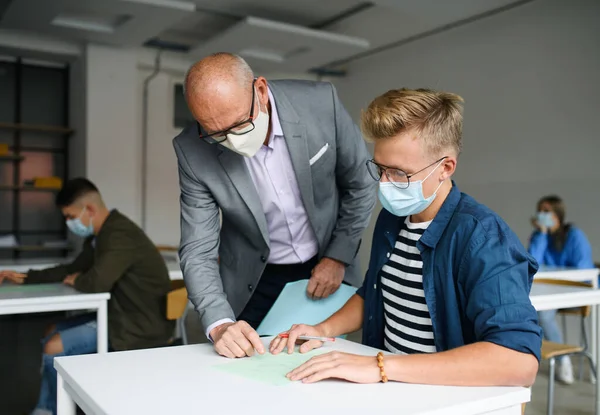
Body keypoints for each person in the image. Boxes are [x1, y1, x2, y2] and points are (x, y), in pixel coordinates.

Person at [270, 88, 542, 387]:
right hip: (393, 386)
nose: (385, 184)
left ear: (445, 167)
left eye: (399, 173)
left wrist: (381, 366)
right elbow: (375, 292)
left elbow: (518, 362)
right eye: (380, 169)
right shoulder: (393, 218)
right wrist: (323, 329)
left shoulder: (483, 237)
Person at [174, 52, 375, 358]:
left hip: (326, 266)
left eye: (240, 124)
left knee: (324, 369)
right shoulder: (191, 149)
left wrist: (338, 256)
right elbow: (197, 249)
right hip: (252, 279)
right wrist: (220, 323)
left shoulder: (320, 104)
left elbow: (361, 183)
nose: (232, 140)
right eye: (216, 134)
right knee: (247, 376)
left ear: (261, 91)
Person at [0, 178, 174, 415]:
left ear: (89, 210)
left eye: (71, 216)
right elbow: (72, 269)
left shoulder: (119, 234)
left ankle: (53, 409)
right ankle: (46, 406)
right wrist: (26, 276)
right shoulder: (100, 236)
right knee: (50, 328)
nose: (69, 222)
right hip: (120, 315)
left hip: (137, 326)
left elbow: (96, 282)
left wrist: (79, 279)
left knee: (54, 346)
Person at [528, 195, 594, 384]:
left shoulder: (574, 235)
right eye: (540, 210)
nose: (542, 214)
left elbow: (583, 269)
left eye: (547, 211)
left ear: (558, 214)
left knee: (544, 315)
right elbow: (532, 263)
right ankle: (540, 356)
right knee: (531, 309)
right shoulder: (540, 235)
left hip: (575, 290)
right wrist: (541, 234)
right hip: (549, 289)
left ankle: (562, 360)